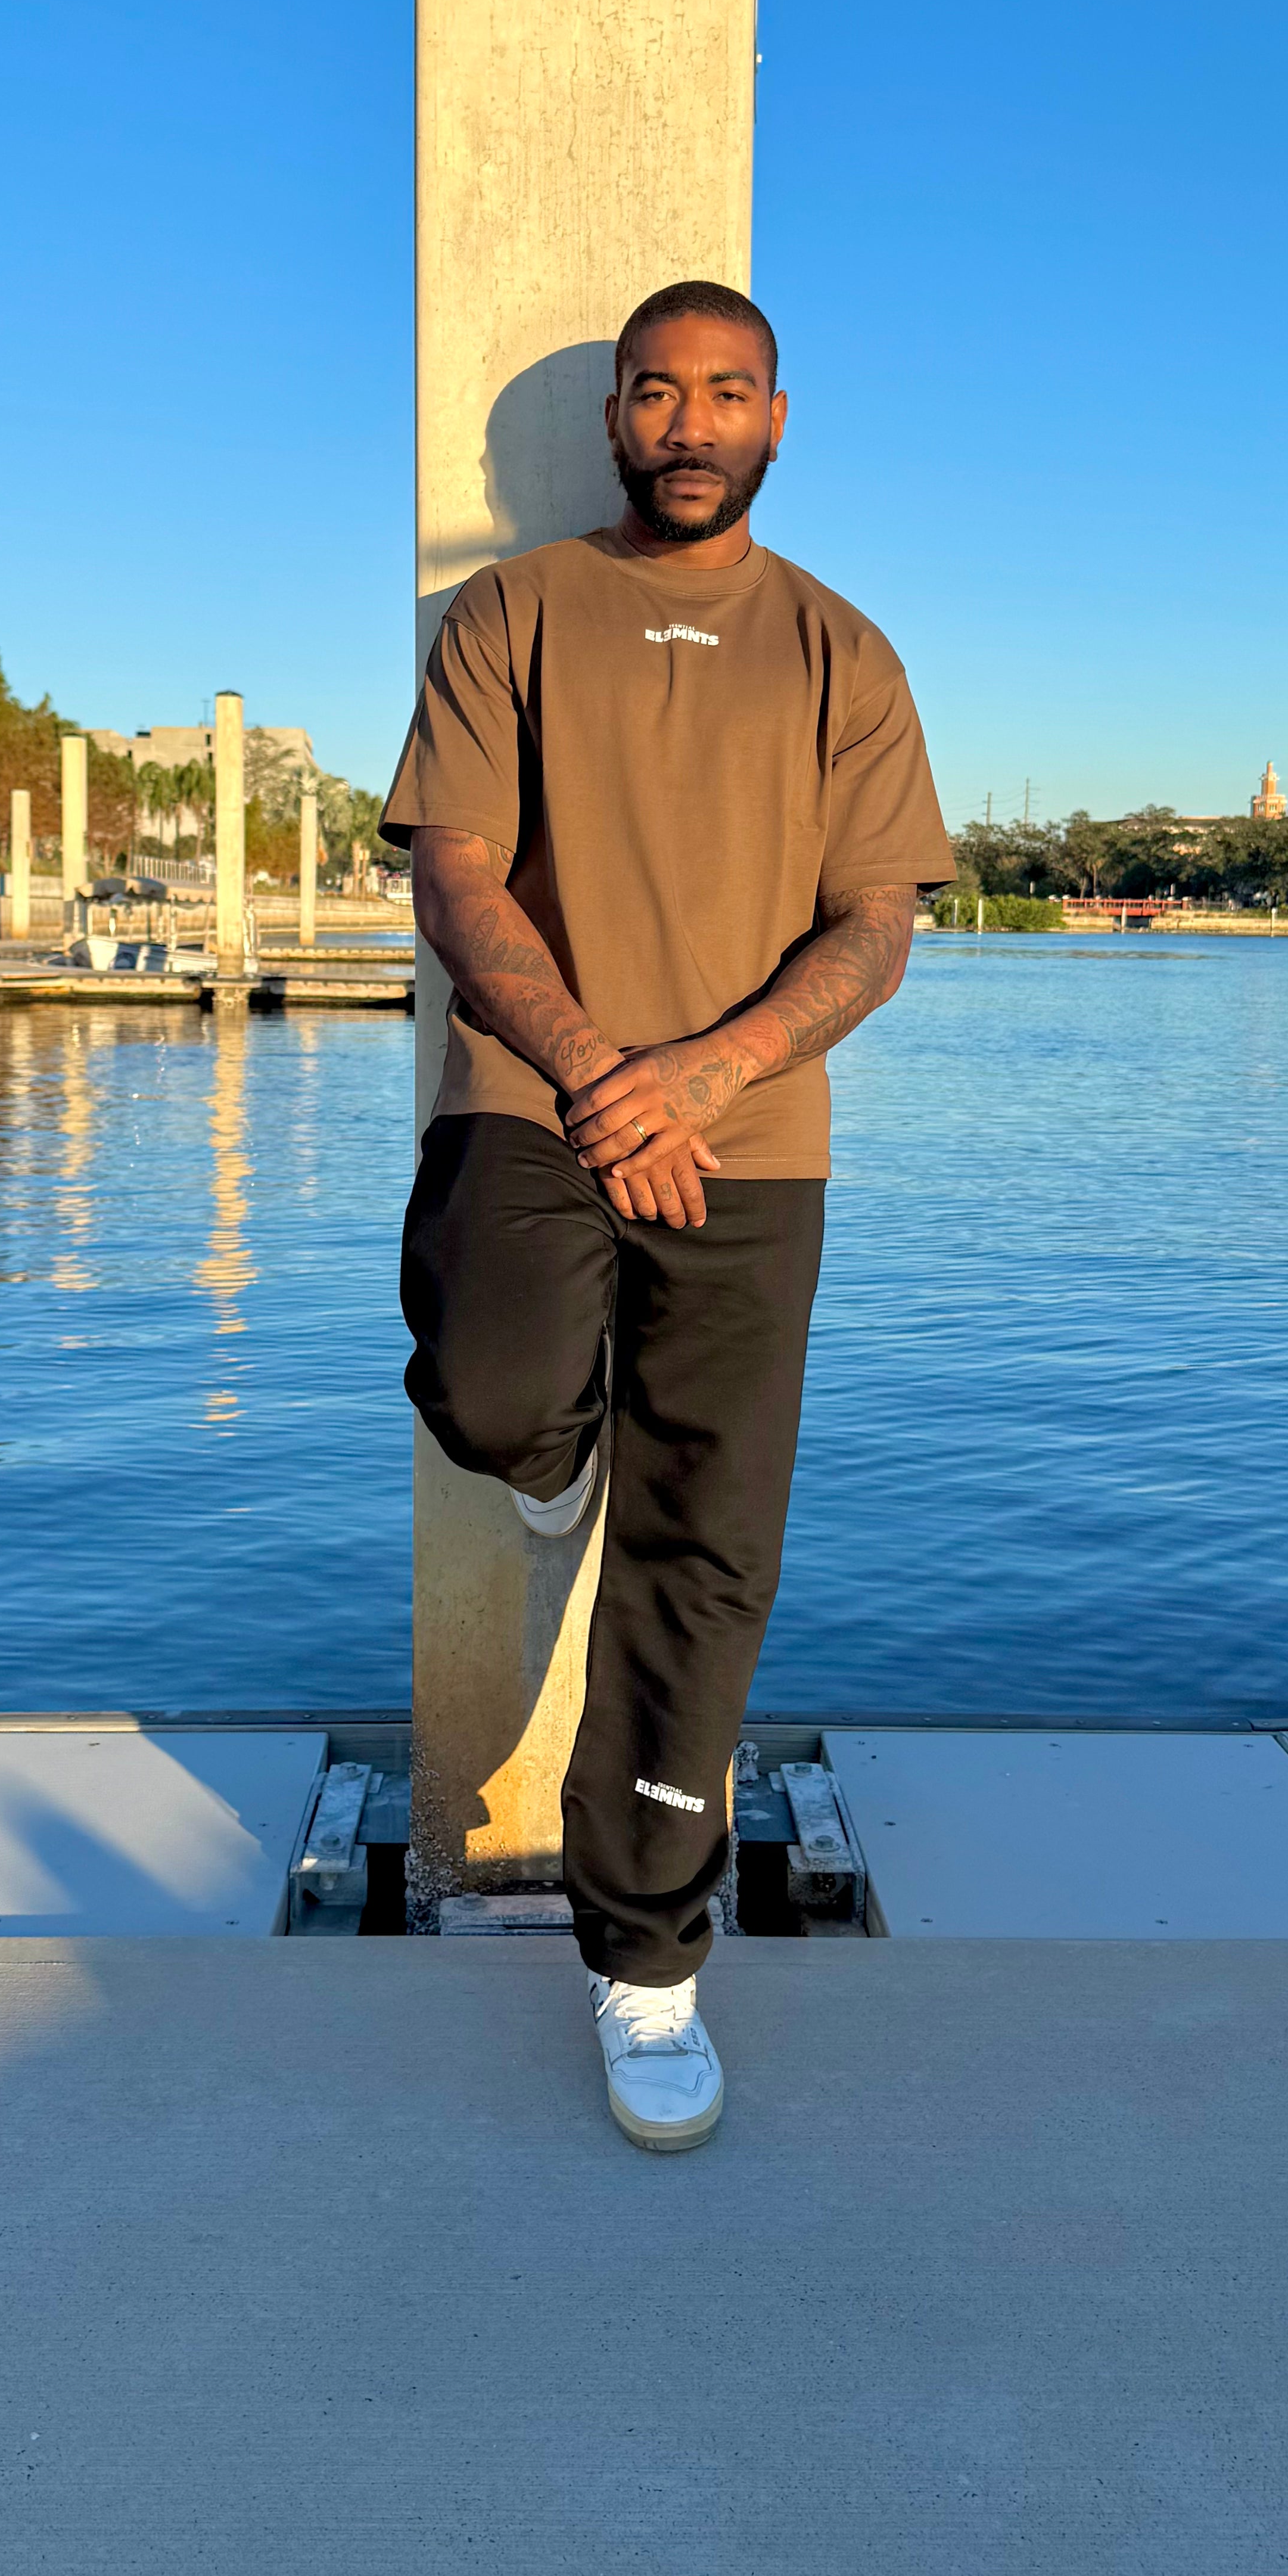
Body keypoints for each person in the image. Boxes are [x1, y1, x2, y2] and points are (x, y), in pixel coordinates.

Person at [381, 279, 950, 2151]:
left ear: (779, 417)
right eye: (654, 390)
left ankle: (644, 1953)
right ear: (615, 417)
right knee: (488, 1390)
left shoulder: (843, 652)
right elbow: (456, 874)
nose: (689, 420)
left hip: (750, 1142)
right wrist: (596, 1072)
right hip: (535, 1101)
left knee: (706, 1550)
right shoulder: (514, 612)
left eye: (725, 391)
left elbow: (876, 924)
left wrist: (699, 1076)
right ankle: (557, 1455)